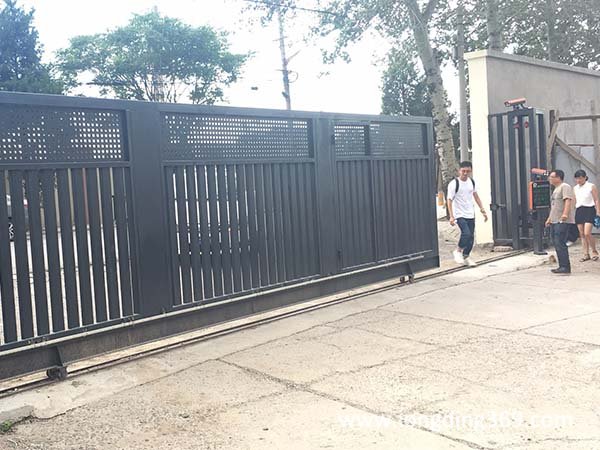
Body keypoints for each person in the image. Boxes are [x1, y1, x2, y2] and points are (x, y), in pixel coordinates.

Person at [447, 161, 488, 266]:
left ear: (471, 171)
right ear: (459, 171)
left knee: (471, 238)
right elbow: (449, 200)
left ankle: (466, 256)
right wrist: (451, 216)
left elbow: (476, 196)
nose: (465, 173)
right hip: (459, 213)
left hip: (470, 213)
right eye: (463, 171)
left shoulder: (471, 182)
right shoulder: (454, 184)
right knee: (466, 233)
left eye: (468, 171)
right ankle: (458, 251)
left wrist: (482, 209)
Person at [545, 170, 576, 274]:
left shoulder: (565, 187)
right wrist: (549, 218)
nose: (550, 179)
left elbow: (567, 201)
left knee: (560, 242)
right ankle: (562, 265)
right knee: (556, 242)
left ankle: (565, 266)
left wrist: (565, 214)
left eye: (552, 177)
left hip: (562, 220)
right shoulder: (556, 189)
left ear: (558, 178)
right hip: (555, 220)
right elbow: (554, 206)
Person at [573, 169, 600, 261]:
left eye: (580, 178)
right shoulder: (575, 188)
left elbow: (596, 199)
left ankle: (594, 251)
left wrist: (598, 211)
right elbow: (575, 200)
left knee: (587, 233)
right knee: (581, 234)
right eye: (577, 178)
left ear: (585, 177)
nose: (578, 180)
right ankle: (586, 253)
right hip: (579, 210)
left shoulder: (591, 186)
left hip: (589, 209)